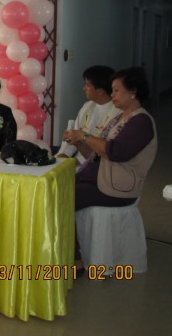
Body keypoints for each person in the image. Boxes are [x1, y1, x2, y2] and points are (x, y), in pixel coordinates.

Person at [63, 67, 157, 268]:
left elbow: (116, 152)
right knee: (58, 188)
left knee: (64, 198)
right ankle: (66, 251)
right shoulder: (120, 117)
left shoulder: (141, 121)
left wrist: (85, 136)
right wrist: (78, 143)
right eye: (112, 90)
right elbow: (95, 155)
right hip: (100, 178)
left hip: (117, 187)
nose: (112, 94)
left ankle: (75, 258)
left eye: (116, 90)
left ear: (133, 91)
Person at [57, 65, 119, 165]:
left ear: (100, 91)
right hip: (80, 162)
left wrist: (78, 162)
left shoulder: (117, 112)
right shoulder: (87, 106)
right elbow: (73, 135)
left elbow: (108, 149)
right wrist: (63, 155)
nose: (84, 88)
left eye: (87, 85)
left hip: (101, 165)